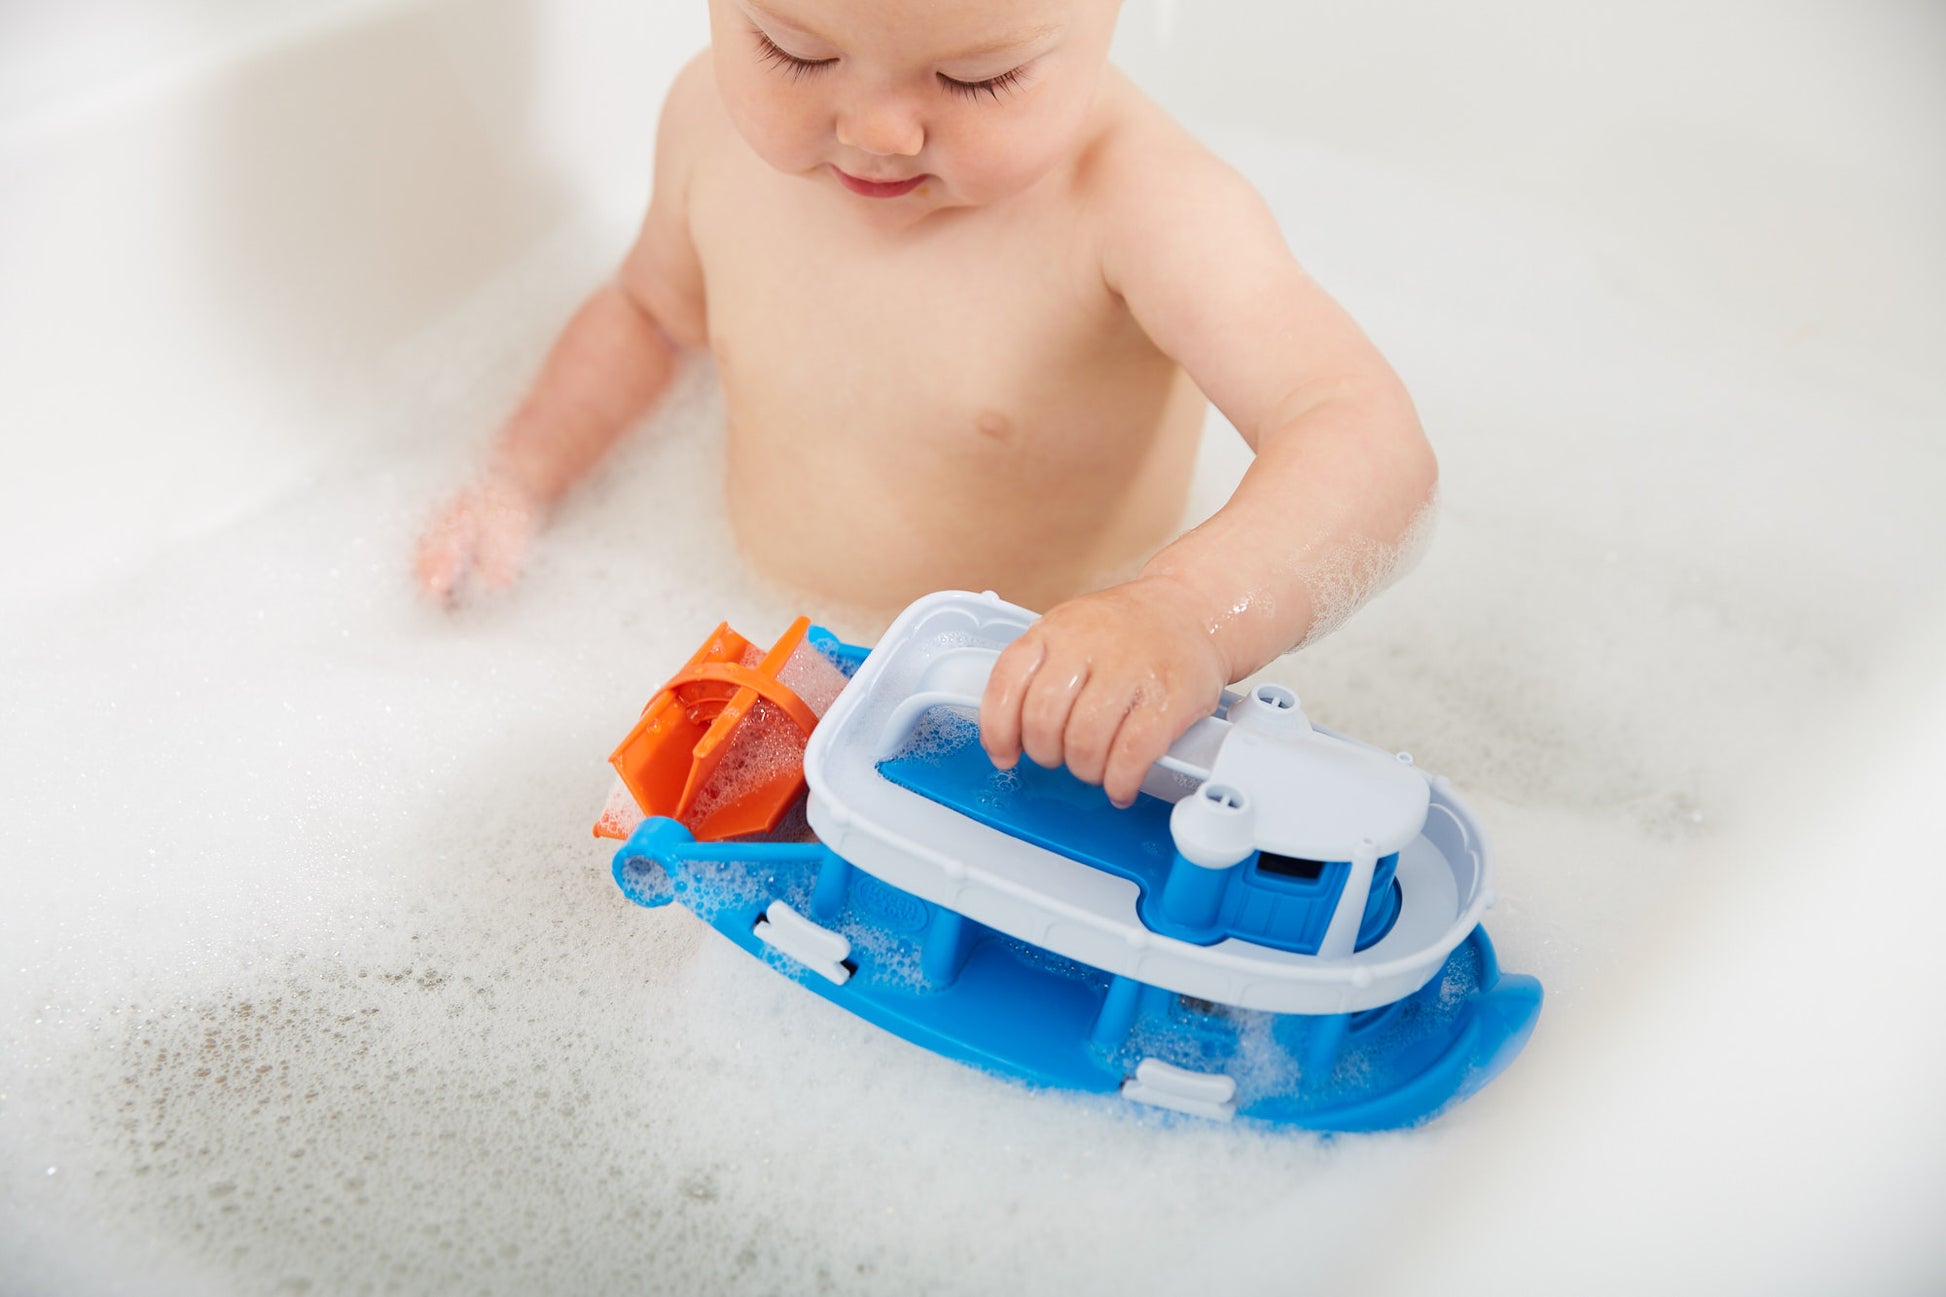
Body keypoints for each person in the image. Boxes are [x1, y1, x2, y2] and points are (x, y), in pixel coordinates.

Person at [416, 0, 1436, 808]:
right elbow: (649, 313)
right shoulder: (707, 123)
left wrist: (1180, 616)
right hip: (760, 661)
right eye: (792, 51)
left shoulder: (1139, 204)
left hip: (1022, 735)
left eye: (974, 77)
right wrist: (519, 475)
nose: (874, 129)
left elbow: (1364, 437)